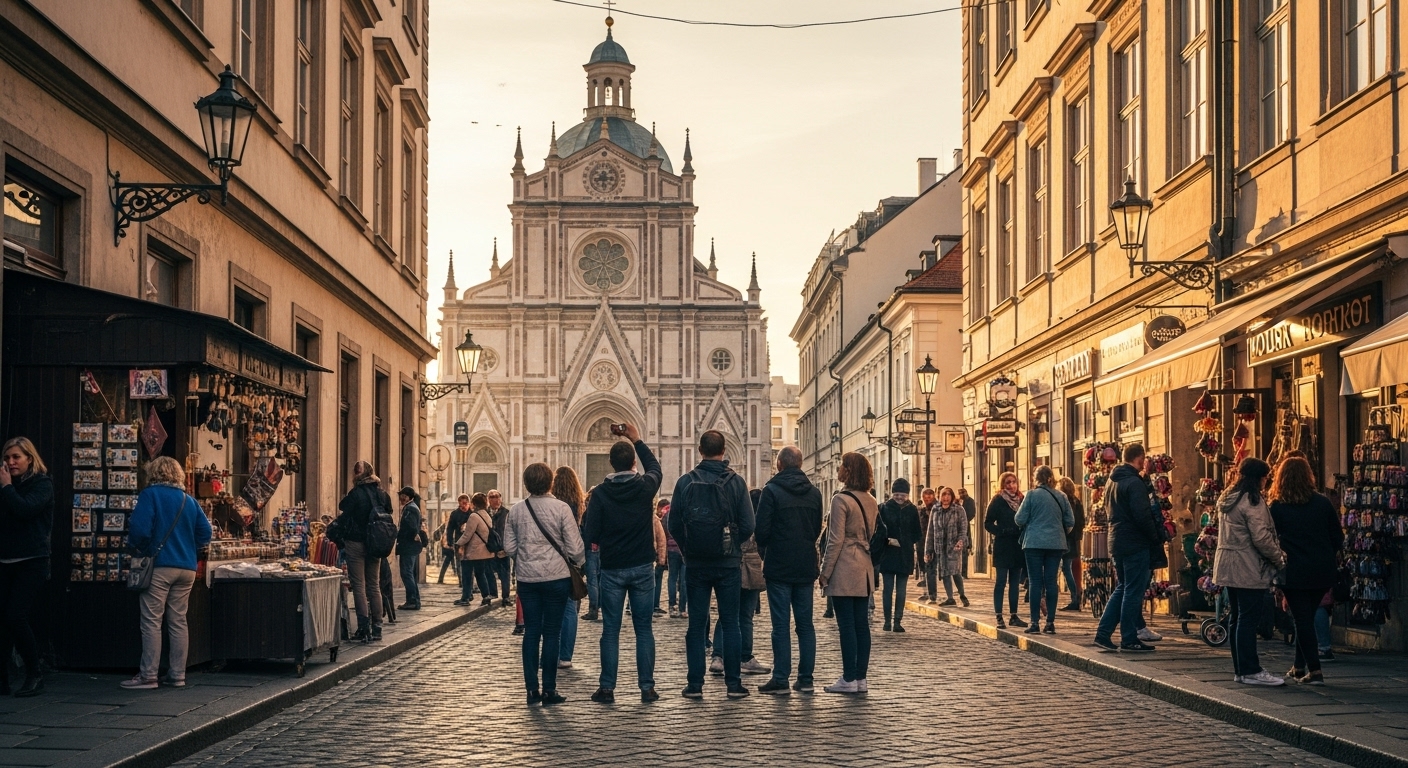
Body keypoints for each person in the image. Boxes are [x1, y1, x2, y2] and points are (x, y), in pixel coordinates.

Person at [669, 430, 756, 700]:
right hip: (728, 564)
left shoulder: (685, 482)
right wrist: (731, 547)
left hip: (695, 564)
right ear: (724, 450)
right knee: (731, 623)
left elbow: (673, 524)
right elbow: (750, 524)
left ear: (699, 450)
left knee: (696, 624)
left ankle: (694, 685)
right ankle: (733, 684)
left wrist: (688, 550)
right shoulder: (736, 482)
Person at [582, 423, 664, 704]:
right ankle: (647, 688)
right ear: (631, 463)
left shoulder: (601, 494)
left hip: (613, 569)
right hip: (642, 568)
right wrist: (637, 439)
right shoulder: (645, 487)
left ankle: (607, 688)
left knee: (610, 630)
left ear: (610, 464)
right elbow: (655, 468)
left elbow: (590, 534)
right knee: (644, 629)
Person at [122, 456, 212, 689]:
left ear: (154, 473)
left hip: (160, 566)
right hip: (187, 568)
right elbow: (205, 532)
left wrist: (140, 548)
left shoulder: (150, 495)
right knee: (178, 621)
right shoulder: (188, 500)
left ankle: (148, 675)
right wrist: (189, 546)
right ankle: (177, 675)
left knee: (152, 621)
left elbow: (140, 529)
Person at [503, 463, 585, 706]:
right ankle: (549, 690)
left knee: (531, 633)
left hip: (528, 580)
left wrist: (525, 557)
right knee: (552, 633)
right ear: (550, 482)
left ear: (526, 483)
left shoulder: (516, 510)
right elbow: (576, 548)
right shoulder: (561, 508)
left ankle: (531, 691)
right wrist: (577, 562)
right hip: (556, 579)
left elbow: (508, 547)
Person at [753, 446, 823, 695]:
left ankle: (781, 678)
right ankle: (806, 679)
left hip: (779, 566)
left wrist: (768, 553)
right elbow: (816, 529)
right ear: (801, 464)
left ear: (779, 465)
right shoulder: (814, 493)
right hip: (805, 565)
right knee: (805, 625)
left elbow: (761, 532)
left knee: (780, 625)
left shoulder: (771, 491)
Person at [1269, 456, 1342, 685]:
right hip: (1322, 570)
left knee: (1302, 618)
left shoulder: (1277, 507)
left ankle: (1316, 671)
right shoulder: (1322, 503)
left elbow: (1270, 538)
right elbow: (1337, 537)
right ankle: (1299, 667)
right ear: (1308, 475)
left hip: (1294, 571)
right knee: (1306, 616)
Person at [1212, 457, 1286, 686]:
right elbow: (1261, 538)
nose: (1266, 481)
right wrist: (1279, 558)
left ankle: (1241, 669)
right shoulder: (1251, 501)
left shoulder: (1228, 496)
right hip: (1247, 565)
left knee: (1237, 617)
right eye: (1265, 477)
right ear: (1258, 478)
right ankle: (1250, 669)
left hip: (1228, 563)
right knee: (1248, 619)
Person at [1092, 445, 1160, 653]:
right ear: (1139, 459)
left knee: (1123, 588)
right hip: (1134, 542)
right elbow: (1142, 516)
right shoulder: (1134, 483)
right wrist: (1155, 537)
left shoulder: (1113, 481)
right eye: (1143, 459)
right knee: (1133, 590)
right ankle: (1129, 638)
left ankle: (1103, 634)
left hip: (1117, 541)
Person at [821, 452, 879, 695]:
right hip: (864, 566)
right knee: (861, 625)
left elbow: (835, 541)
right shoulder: (871, 500)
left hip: (845, 565)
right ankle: (861, 678)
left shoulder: (840, 500)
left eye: (841, 466)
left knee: (846, 625)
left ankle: (848, 677)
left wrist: (824, 572)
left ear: (849, 471)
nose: (838, 470)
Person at [0, 437, 53, 697]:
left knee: (15, 616)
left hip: (32, 561)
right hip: (5, 560)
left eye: (16, 457)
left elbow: (25, 510)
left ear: (29, 458)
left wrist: (7, 488)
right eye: (7, 458)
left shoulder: (42, 484)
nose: (11, 462)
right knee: (2, 619)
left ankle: (35, 672)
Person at [711, 490, 771, 675]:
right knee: (745, 615)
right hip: (751, 568)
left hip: (732, 565)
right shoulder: (758, 522)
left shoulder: (734, 516)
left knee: (726, 615)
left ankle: (718, 656)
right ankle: (744, 657)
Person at [1016, 466, 1075, 635]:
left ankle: (1034, 622)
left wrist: (1032, 523)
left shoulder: (1031, 495)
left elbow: (1019, 519)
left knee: (1035, 582)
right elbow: (1070, 521)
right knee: (1051, 582)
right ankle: (1050, 622)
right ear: (1051, 478)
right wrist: (1059, 532)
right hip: (1056, 544)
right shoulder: (1061, 496)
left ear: (1036, 479)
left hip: (1033, 543)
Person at [338, 461, 391, 642]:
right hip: (375, 543)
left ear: (359, 474)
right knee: (373, 585)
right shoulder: (381, 493)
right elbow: (389, 510)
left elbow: (342, 506)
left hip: (356, 542)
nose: (354, 474)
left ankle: (363, 627)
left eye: (356, 471)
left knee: (359, 585)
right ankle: (377, 626)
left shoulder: (356, 493)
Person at [874, 479, 922, 633]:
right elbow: (878, 531)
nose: (900, 497)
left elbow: (917, 533)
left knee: (901, 590)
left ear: (907, 495)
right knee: (887, 589)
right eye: (897, 494)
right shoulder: (884, 508)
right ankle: (887, 621)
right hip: (888, 554)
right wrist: (888, 539)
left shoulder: (912, 509)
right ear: (892, 494)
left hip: (905, 554)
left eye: (902, 495)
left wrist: (906, 541)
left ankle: (897, 621)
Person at [551, 466, 586, 670]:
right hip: (571, 559)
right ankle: (566, 656)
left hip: (552, 557)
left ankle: (550, 654)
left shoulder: (553, 504)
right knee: (569, 608)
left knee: (551, 608)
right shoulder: (577, 503)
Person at [984, 472, 1027, 629]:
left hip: (1017, 545)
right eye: (1008, 482)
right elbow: (987, 523)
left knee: (1015, 583)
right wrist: (1001, 531)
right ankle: (999, 616)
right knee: (1001, 581)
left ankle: (1014, 615)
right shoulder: (998, 500)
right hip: (1002, 545)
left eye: (1014, 482)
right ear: (1003, 484)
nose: (1011, 485)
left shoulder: (1022, 499)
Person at [925, 487, 969, 607]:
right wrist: (928, 550)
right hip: (940, 546)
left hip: (953, 546)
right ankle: (950, 598)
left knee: (955, 571)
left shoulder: (958, 509)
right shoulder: (936, 509)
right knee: (944, 572)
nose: (946, 497)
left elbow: (963, 528)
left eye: (948, 495)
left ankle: (962, 595)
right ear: (940, 496)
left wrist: (961, 541)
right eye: (944, 495)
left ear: (952, 496)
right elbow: (930, 531)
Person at [456, 493, 498, 608]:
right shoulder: (487, 515)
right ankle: (486, 596)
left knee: (467, 575)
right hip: (484, 551)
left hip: (473, 552)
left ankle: (465, 598)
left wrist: (457, 544)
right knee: (480, 574)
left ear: (474, 503)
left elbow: (467, 535)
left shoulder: (473, 516)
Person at [1057, 477, 1085, 612]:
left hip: (1065, 539)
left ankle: (1076, 597)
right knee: (1068, 568)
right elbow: (1081, 522)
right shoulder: (1077, 501)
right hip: (1074, 540)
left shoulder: (1064, 502)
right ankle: (1076, 596)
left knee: (1066, 569)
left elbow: (1066, 521)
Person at [395, 487, 426, 610]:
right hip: (409, 546)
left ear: (408, 497)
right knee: (409, 574)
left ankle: (412, 600)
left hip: (408, 546)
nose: (401, 498)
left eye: (403, 496)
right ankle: (414, 600)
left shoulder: (410, 509)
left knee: (406, 573)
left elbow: (412, 527)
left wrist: (402, 535)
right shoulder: (411, 507)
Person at [446, 495, 473, 604]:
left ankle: (469, 590)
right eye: (462, 503)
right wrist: (449, 541)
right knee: (460, 565)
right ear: (459, 503)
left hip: (471, 544)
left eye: (466, 503)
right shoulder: (455, 514)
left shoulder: (472, 514)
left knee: (470, 568)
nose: (464, 505)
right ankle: (462, 583)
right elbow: (450, 528)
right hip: (459, 542)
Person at [663, 500, 687, 618]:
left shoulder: (668, 514)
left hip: (672, 549)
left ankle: (672, 605)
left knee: (672, 577)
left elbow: (665, 532)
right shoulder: (687, 512)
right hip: (685, 549)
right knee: (684, 579)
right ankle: (682, 608)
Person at [488, 490, 513, 607]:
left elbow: (511, 532)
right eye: (492, 497)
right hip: (489, 549)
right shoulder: (485, 513)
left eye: (498, 497)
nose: (496, 500)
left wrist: (507, 548)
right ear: (488, 499)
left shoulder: (507, 513)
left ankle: (506, 597)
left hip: (503, 549)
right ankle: (492, 594)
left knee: (505, 574)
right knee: (489, 573)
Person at [916, 487, 937, 600]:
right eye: (925, 496)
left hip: (933, 542)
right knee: (923, 568)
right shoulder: (920, 510)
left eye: (929, 496)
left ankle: (932, 594)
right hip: (921, 542)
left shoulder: (937, 509)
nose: (927, 498)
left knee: (931, 568)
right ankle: (926, 593)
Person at [652, 500, 670, 616]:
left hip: (643, 557)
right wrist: (662, 558)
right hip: (652, 556)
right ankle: (655, 605)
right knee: (656, 582)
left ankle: (630, 605)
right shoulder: (654, 519)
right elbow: (661, 540)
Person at [957, 488, 977, 577]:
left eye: (963, 493)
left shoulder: (970, 501)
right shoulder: (957, 501)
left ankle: (964, 573)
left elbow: (972, 513)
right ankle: (958, 572)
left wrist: (965, 520)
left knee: (965, 549)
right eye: (960, 493)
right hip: (957, 528)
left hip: (966, 528)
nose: (962, 495)